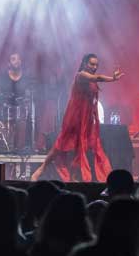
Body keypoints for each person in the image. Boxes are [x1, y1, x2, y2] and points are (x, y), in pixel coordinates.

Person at [31, 54, 123, 182]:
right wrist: (112, 78)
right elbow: (97, 77)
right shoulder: (81, 75)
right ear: (85, 63)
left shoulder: (89, 77)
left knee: (81, 147)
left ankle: (73, 177)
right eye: (92, 64)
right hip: (75, 116)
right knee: (61, 145)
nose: (95, 67)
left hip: (87, 118)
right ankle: (41, 169)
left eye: (96, 64)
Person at [0, 52, 33, 151]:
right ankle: (6, 147)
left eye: (18, 59)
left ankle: (21, 148)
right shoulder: (3, 77)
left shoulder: (26, 77)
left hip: (21, 108)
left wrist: (27, 97)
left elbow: (29, 93)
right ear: (9, 63)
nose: (17, 61)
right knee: (4, 127)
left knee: (24, 124)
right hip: (5, 108)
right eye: (13, 59)